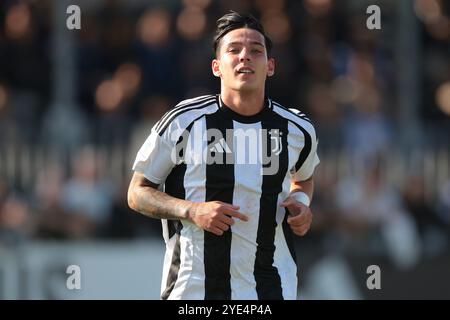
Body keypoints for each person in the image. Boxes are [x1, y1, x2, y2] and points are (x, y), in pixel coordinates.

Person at [128, 11, 320, 300]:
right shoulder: (184, 122)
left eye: (256, 50)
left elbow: (303, 179)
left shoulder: (297, 129)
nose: (245, 56)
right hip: (194, 286)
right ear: (217, 67)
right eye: (234, 50)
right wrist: (192, 211)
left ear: (270, 66)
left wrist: (301, 204)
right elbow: (137, 193)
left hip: (270, 285)